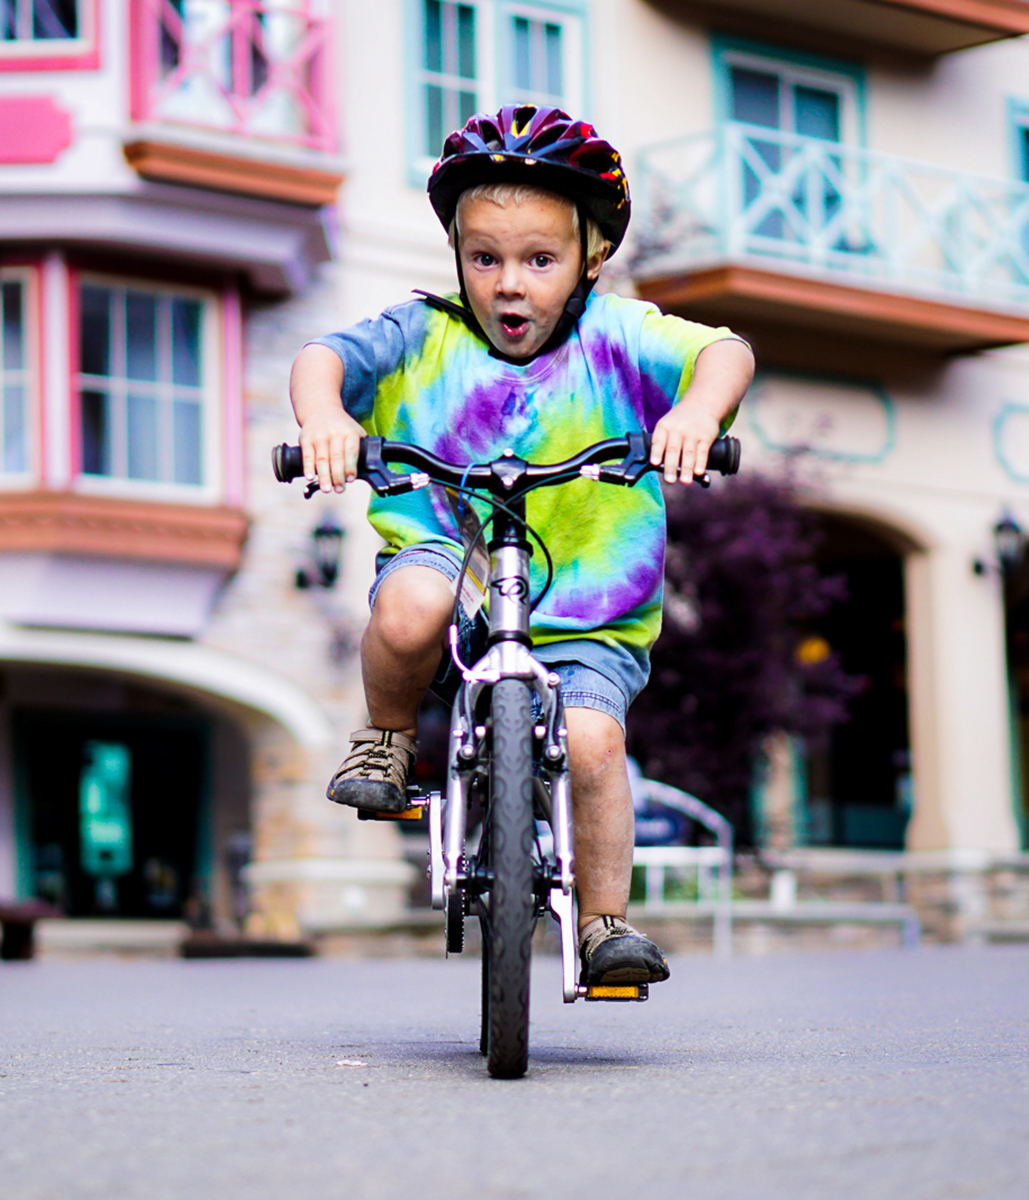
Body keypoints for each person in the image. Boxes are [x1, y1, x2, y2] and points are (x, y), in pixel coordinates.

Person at [288, 105, 754, 987]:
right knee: (413, 602)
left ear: (591, 257)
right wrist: (325, 420)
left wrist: (695, 413)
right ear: (456, 253)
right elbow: (323, 358)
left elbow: (724, 353)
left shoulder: (619, 335)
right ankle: (387, 738)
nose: (510, 285)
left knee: (592, 742)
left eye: (540, 260)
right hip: (452, 561)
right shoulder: (420, 333)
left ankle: (603, 925)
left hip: (587, 610)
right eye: (485, 258)